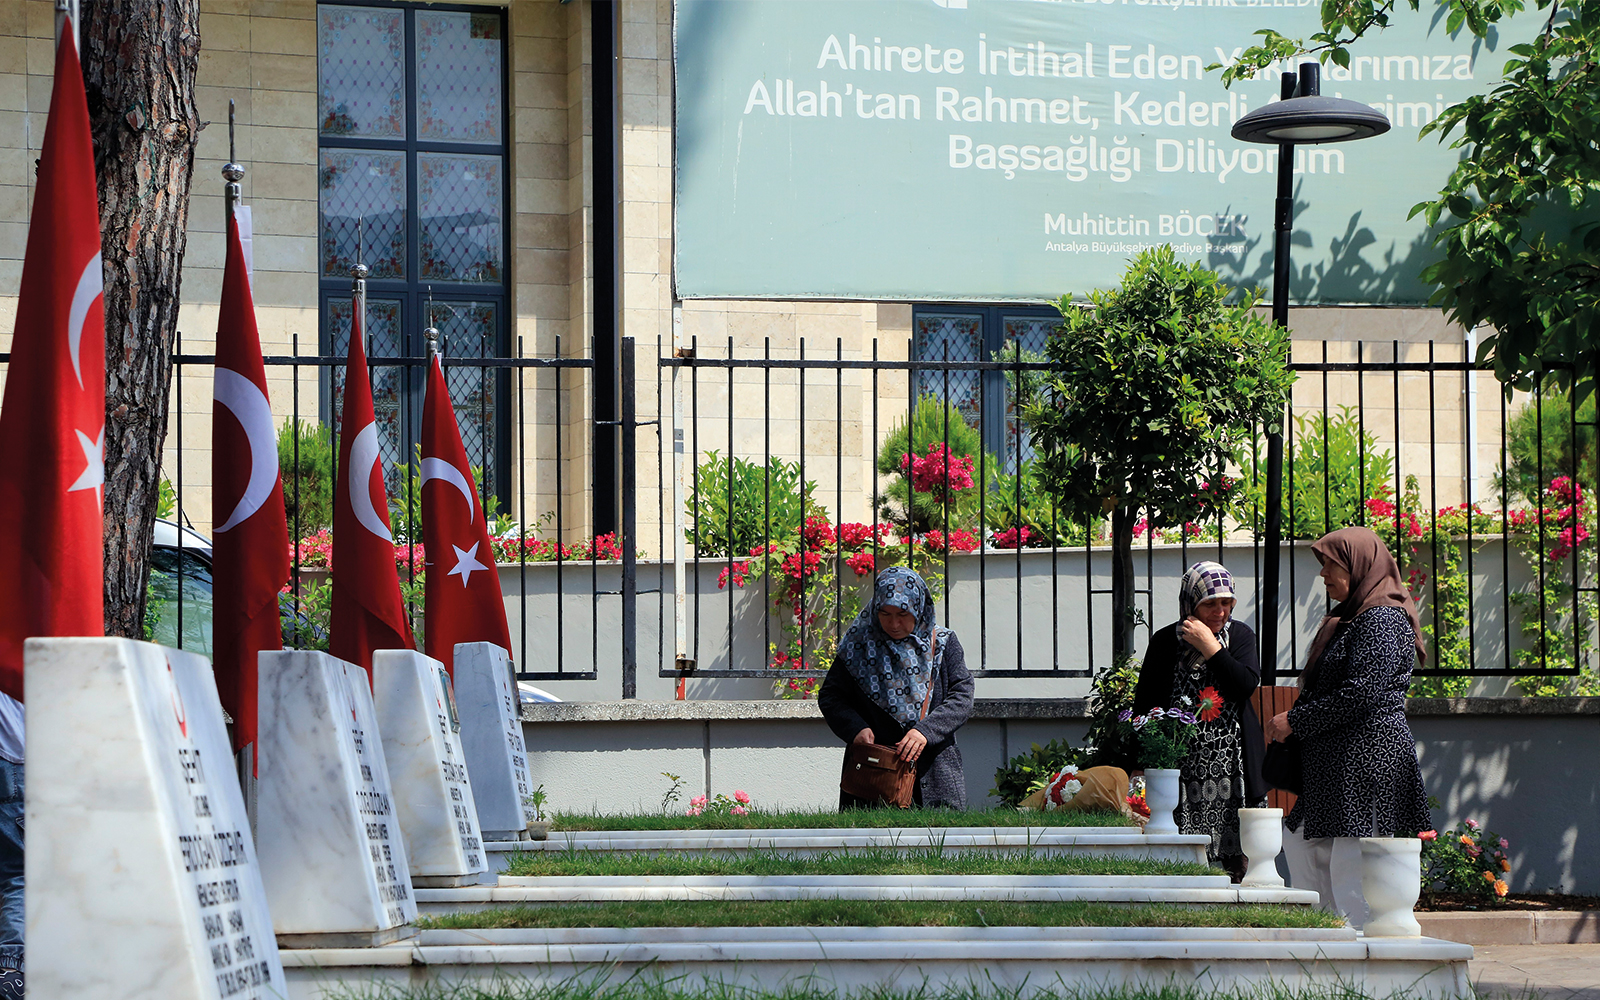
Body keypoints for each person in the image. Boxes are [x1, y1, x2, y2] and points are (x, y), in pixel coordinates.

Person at [1265, 526, 1431, 928]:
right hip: (1339, 766)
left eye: (1331, 565)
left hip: (1366, 764)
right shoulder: (1355, 618)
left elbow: (1364, 693)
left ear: (1360, 566)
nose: (1323, 575)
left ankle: (1360, 953)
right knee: (1302, 843)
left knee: (1351, 865)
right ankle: (1327, 939)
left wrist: (1296, 720)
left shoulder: (1384, 618)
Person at [1128, 560, 1266, 878]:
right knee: (1183, 854)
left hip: (1234, 765)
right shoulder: (1165, 643)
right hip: (1182, 766)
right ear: (1191, 603)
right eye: (1210, 604)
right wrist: (1138, 765)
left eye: (1226, 603)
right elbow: (1145, 705)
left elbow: (1244, 685)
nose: (1220, 611)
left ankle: (1241, 909)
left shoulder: (1240, 636)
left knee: (1240, 859)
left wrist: (1210, 647)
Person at [819, 566, 974, 809]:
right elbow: (831, 696)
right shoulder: (857, 647)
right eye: (885, 613)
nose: (893, 624)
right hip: (873, 777)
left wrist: (925, 732)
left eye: (903, 614)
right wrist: (855, 729)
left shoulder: (943, 644)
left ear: (919, 607)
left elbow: (962, 695)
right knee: (870, 845)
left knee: (939, 843)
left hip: (935, 776)